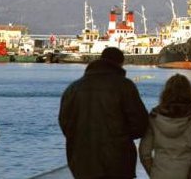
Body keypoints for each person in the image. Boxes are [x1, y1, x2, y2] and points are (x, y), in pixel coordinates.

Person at [59, 47, 149, 179]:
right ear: (120, 63)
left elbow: (65, 123)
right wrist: (122, 138)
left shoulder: (73, 89)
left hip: (82, 161)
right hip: (118, 162)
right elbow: (141, 124)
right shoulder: (124, 86)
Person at [139, 74, 191, 179]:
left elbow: (144, 153)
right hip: (188, 173)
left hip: (160, 173)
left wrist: (153, 172)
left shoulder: (154, 116)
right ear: (189, 93)